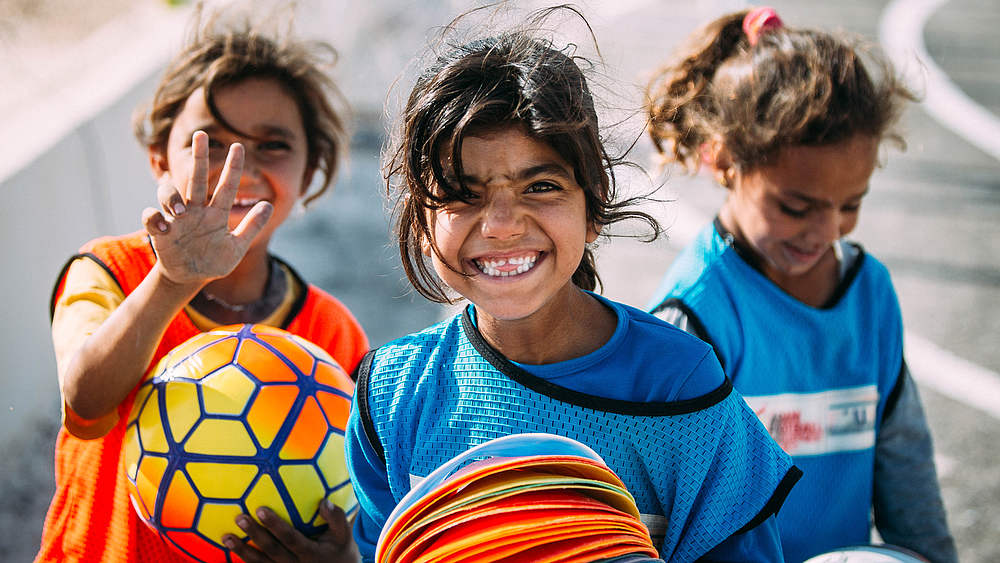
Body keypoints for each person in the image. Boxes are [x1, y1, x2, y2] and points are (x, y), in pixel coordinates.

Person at [345, 7, 801, 562]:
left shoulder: (677, 387)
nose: (502, 224)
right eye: (463, 193)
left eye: (540, 186)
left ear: (592, 210)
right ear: (421, 223)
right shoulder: (392, 391)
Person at [35, 8, 368, 563]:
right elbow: (85, 402)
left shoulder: (331, 333)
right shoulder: (109, 271)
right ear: (159, 158)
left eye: (274, 145)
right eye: (210, 144)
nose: (239, 169)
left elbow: (353, 493)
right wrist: (172, 282)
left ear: (311, 173)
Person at [644, 6, 957, 563]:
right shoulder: (696, 314)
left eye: (850, 205)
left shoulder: (869, 294)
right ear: (724, 160)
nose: (827, 230)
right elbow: (664, 514)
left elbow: (904, 460)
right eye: (796, 206)